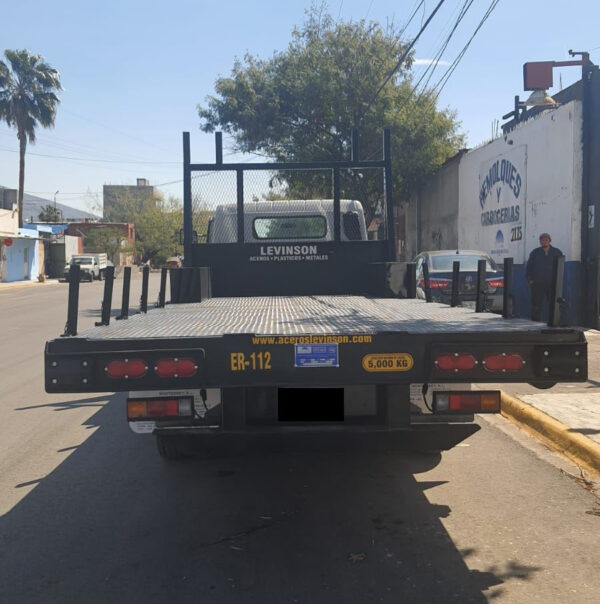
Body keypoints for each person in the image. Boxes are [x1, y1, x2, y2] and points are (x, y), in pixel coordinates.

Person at [526, 233, 563, 321]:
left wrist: (558, 281)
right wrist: (530, 279)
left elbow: (561, 266)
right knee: (536, 304)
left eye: (546, 240)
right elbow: (529, 266)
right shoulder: (535, 253)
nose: (544, 241)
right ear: (540, 241)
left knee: (553, 303)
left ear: (549, 241)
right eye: (542, 240)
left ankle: (554, 322)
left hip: (552, 283)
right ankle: (535, 322)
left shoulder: (557, 252)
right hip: (537, 283)